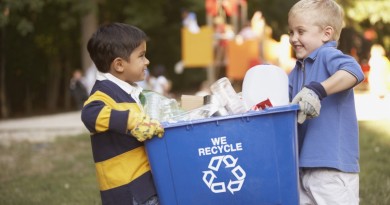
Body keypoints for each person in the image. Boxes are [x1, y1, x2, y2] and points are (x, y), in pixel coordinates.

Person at [288, 0, 364, 204]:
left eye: (300, 31)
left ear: (326, 34)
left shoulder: (327, 55)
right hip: (303, 167)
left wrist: (319, 90)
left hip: (332, 166)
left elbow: (354, 72)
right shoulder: (296, 71)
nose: (293, 38)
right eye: (291, 32)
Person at [81, 23, 164, 205]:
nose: (147, 61)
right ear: (119, 65)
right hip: (129, 191)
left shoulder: (129, 92)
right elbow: (89, 114)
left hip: (143, 184)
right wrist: (133, 121)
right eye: (141, 56)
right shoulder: (103, 94)